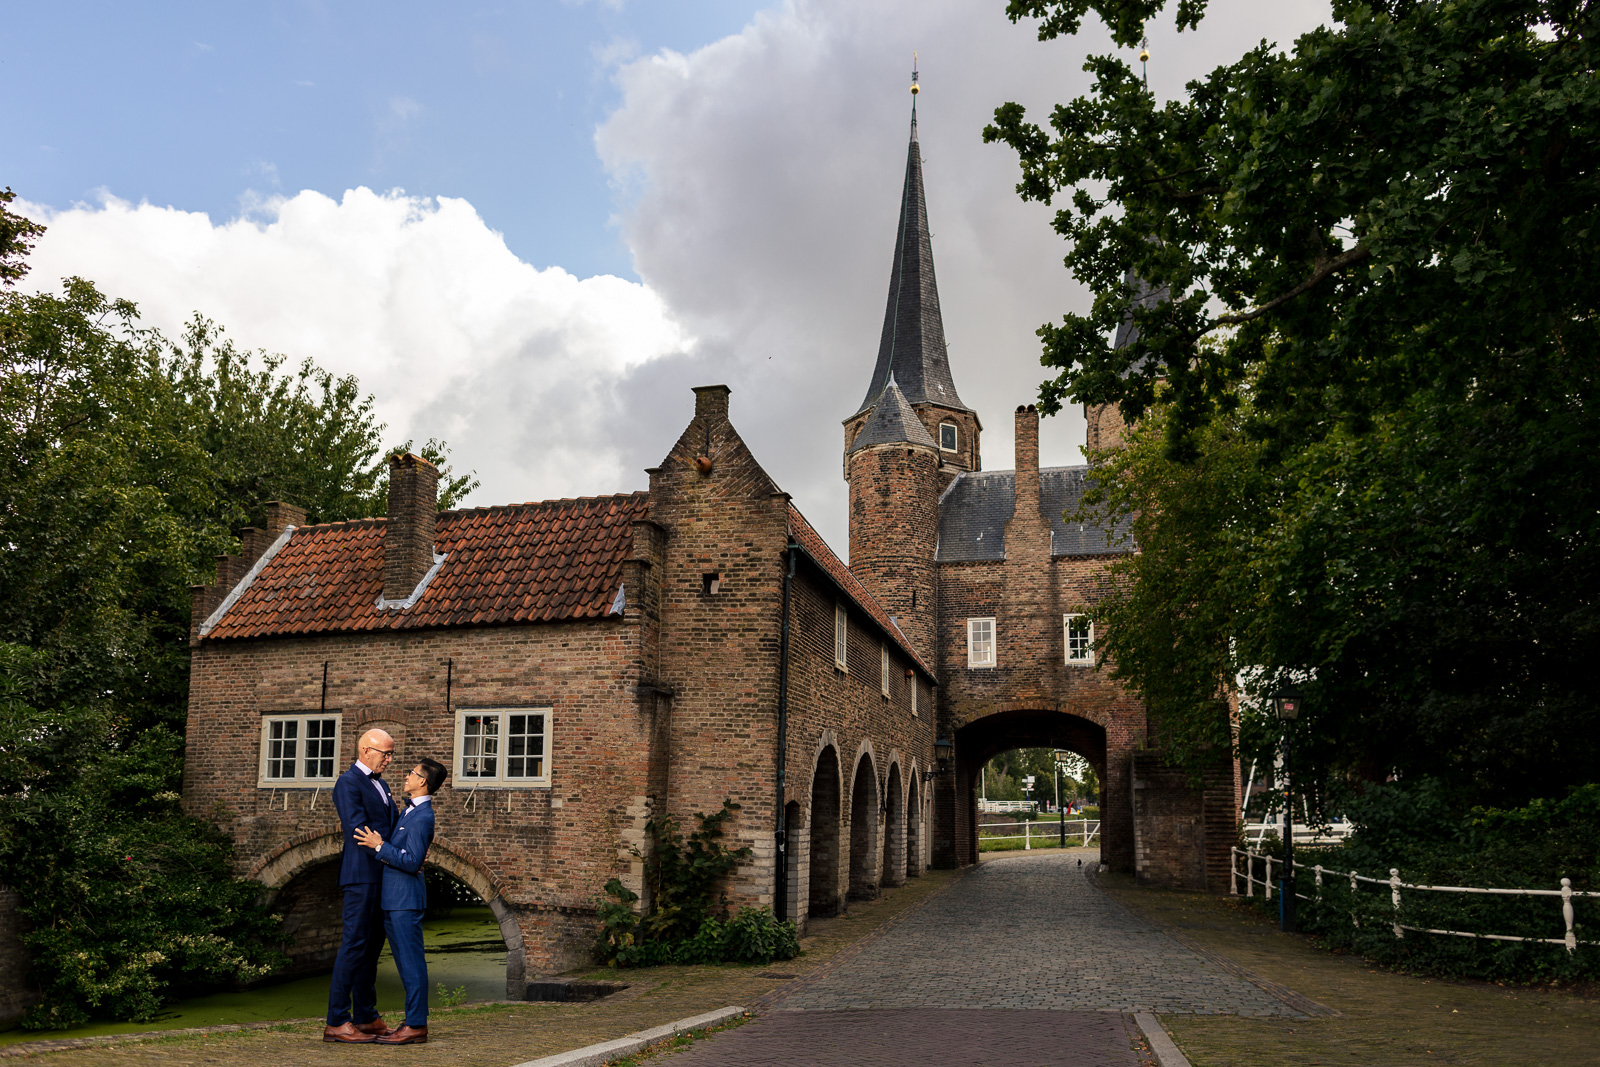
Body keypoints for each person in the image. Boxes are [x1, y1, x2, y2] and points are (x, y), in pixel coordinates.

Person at [354, 757, 445, 1046]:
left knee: (411, 964)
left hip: (404, 901)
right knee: (407, 964)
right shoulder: (410, 812)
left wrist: (379, 846)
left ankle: (416, 1024)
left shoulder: (422, 817)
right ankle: (410, 1021)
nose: (406, 776)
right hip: (394, 900)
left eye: (412, 773)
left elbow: (411, 862)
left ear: (423, 782)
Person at [322, 729, 399, 1044]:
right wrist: (389, 849)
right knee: (354, 945)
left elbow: (390, 825)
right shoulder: (348, 782)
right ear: (366, 751)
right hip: (361, 875)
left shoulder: (382, 784)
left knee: (371, 949)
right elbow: (357, 828)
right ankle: (337, 1020)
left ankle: (366, 1016)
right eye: (386, 754)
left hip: (383, 874)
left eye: (391, 754)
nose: (390, 760)